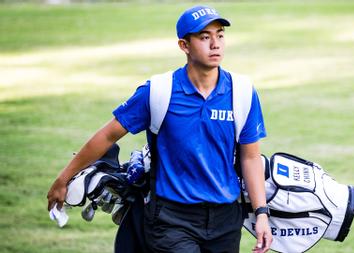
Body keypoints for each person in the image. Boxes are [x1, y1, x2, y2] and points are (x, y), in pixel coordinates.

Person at [47, 5, 272, 253]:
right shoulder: (158, 91)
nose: (215, 44)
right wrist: (63, 178)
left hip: (226, 220)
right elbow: (107, 135)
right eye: (204, 37)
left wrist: (261, 213)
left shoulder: (242, 92)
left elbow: (250, 157)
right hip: (171, 220)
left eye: (219, 35)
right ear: (184, 46)